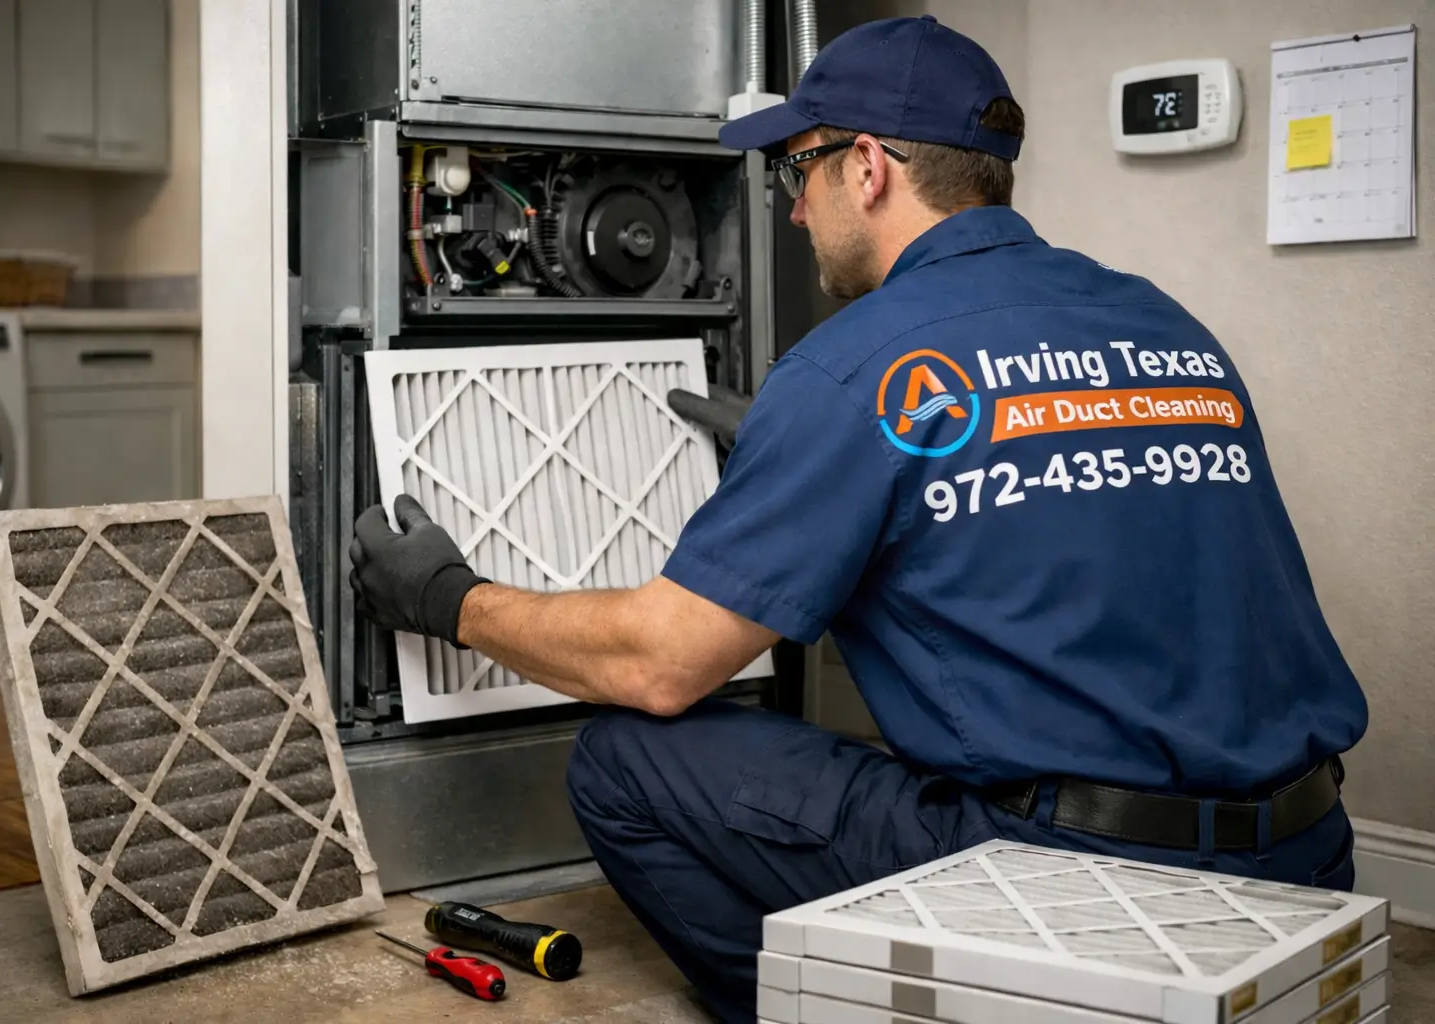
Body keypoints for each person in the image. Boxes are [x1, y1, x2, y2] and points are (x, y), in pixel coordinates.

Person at [349, 15, 1368, 1023]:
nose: (795, 211)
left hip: (1078, 879)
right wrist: (810, 455)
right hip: (1305, 858)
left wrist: (452, 599)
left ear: (868, 166)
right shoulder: (1158, 318)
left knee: (626, 756)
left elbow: (660, 665)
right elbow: (1072, 505)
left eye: (801, 171)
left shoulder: (859, 361)